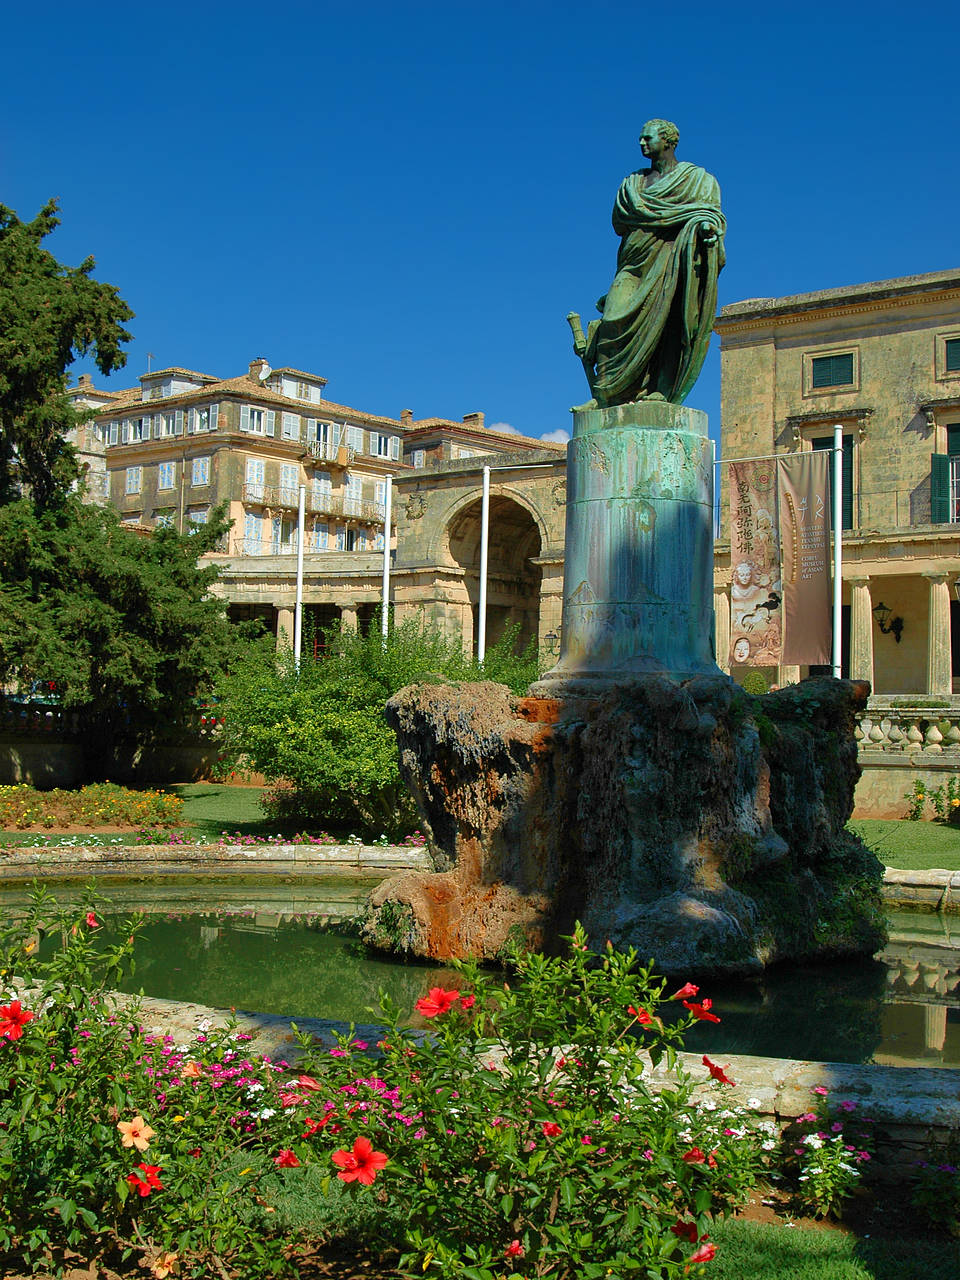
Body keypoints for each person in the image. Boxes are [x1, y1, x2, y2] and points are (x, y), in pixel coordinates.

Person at [569, 119, 725, 407]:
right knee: (612, 320)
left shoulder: (697, 179)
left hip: (672, 258)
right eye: (640, 139)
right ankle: (606, 394)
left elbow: (710, 214)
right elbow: (619, 223)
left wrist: (704, 228)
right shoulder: (632, 184)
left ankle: (660, 391)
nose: (641, 143)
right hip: (633, 261)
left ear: (668, 141)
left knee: (668, 323)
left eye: (647, 138)